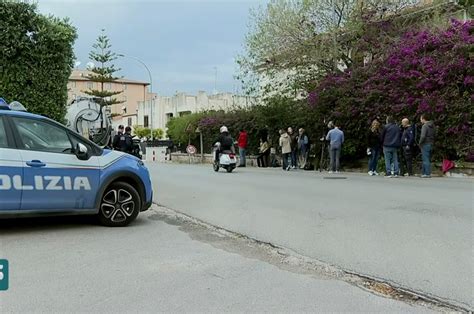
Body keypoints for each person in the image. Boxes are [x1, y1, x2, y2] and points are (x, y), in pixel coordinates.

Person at [419, 113, 435, 178]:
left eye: (420, 119)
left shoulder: (425, 126)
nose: (420, 120)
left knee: (425, 159)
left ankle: (427, 173)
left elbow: (423, 136)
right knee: (427, 158)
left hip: (425, 143)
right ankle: (424, 172)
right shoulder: (433, 125)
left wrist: (420, 143)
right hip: (431, 143)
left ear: (423, 119)